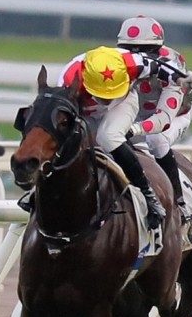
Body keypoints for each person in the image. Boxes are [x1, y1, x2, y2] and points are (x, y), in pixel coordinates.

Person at [58, 46, 173, 228]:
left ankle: (148, 194)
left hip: (123, 103)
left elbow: (167, 67)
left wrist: (183, 78)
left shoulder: (133, 63)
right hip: (83, 109)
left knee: (108, 137)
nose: (107, 100)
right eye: (103, 96)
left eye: (110, 95)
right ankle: (37, 192)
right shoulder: (68, 80)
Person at [116, 15, 192, 230]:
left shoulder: (173, 67)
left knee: (156, 140)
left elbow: (162, 119)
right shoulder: (115, 62)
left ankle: (180, 205)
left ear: (158, 49)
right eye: (130, 50)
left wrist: (134, 129)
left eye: (146, 51)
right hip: (135, 115)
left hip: (171, 117)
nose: (138, 58)